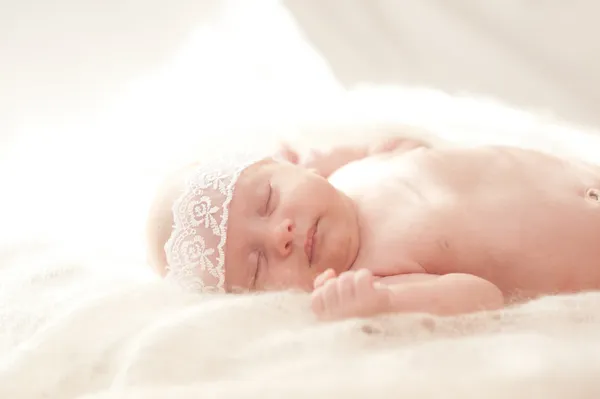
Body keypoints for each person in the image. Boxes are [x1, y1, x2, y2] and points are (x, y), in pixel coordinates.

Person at [146, 133, 600, 321]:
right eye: (256, 263)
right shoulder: (369, 271)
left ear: (284, 164)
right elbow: (481, 295)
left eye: (267, 200)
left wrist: (339, 156)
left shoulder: (354, 172)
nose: (279, 235)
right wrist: (384, 303)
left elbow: (414, 146)